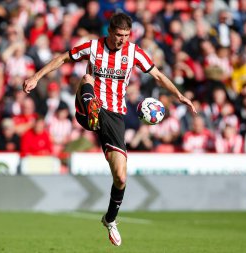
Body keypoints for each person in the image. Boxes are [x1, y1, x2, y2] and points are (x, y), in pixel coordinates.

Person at [23, 12, 196, 246]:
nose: (122, 40)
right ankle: (90, 111)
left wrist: (179, 95)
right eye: (118, 35)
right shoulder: (93, 47)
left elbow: (157, 74)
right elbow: (63, 58)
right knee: (86, 77)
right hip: (89, 103)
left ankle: (110, 219)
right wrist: (36, 76)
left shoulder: (134, 52)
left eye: (126, 35)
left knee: (121, 177)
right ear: (110, 32)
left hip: (115, 115)